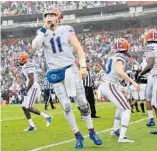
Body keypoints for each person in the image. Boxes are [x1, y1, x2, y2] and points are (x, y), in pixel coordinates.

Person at [32, 7, 102, 149]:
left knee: (82, 101)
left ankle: (91, 130)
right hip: (54, 72)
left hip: (70, 69)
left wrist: (83, 66)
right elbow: (35, 46)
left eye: (52, 15)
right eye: (47, 15)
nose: (49, 17)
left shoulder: (66, 29)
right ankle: (77, 135)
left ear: (58, 17)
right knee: (66, 105)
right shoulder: (42, 33)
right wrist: (44, 28)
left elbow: (78, 49)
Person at [98, 38, 140, 143]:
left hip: (107, 84)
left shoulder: (113, 56)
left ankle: (115, 130)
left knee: (121, 107)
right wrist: (133, 82)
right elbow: (119, 71)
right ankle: (122, 136)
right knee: (127, 108)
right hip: (109, 85)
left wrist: (120, 87)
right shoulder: (121, 56)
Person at [16, 52, 51, 131]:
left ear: (24, 59)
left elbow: (31, 79)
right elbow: (25, 77)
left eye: (20, 58)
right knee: (24, 107)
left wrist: (26, 90)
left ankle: (47, 117)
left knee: (28, 107)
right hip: (30, 87)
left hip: (33, 87)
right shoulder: (25, 65)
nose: (19, 60)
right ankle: (32, 125)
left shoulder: (28, 65)